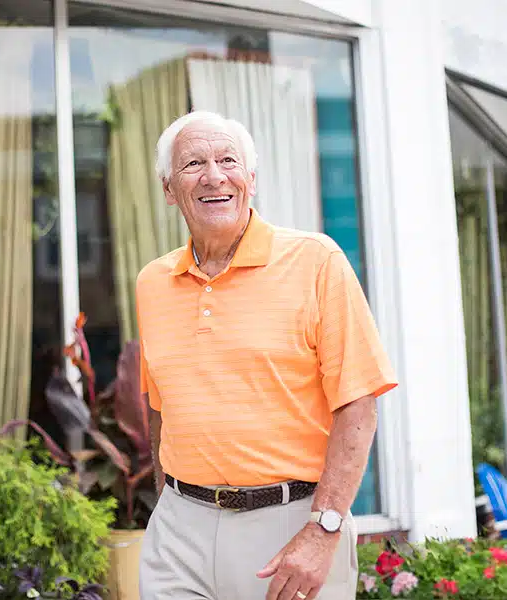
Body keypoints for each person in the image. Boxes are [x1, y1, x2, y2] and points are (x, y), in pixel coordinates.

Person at [135, 110, 398, 600]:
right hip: (179, 529)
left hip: (290, 527)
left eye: (227, 160)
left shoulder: (317, 261)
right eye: (193, 164)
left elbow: (358, 405)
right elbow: (161, 406)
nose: (214, 175)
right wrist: (166, 503)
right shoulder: (152, 282)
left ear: (250, 180)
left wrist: (324, 529)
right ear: (169, 188)